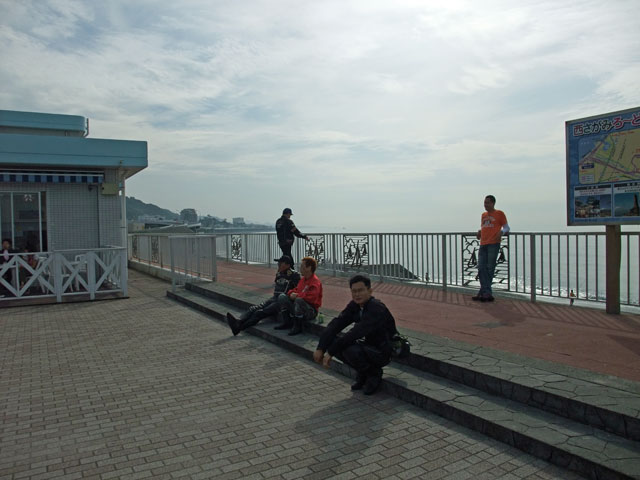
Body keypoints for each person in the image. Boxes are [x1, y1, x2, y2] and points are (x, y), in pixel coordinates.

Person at [313, 274, 398, 396]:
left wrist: (330, 353)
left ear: (370, 291)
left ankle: (374, 374)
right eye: (354, 291)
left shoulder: (376, 308)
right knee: (332, 341)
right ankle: (363, 373)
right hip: (368, 346)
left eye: (361, 290)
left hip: (383, 351)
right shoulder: (355, 306)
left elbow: (355, 333)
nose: (357, 294)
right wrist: (321, 348)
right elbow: (336, 324)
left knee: (349, 349)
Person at [226, 255, 300, 336]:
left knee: (259, 313)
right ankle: (239, 321)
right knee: (253, 308)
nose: (278, 264)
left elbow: (298, 290)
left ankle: (239, 328)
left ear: (287, 265)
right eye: (278, 262)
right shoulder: (279, 274)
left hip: (281, 302)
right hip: (274, 298)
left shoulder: (294, 275)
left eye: (281, 263)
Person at [473, 195, 509, 302]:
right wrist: (480, 231)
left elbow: (507, 227)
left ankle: (484, 292)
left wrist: (501, 232)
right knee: (481, 268)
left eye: (487, 203)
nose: (485, 205)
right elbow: (485, 226)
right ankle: (486, 292)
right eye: (485, 202)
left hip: (493, 244)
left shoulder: (499, 214)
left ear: (493, 203)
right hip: (483, 243)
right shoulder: (483, 215)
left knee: (489, 268)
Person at [275, 256, 322, 336]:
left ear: (309, 268)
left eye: (302, 266)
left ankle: (298, 326)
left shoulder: (315, 282)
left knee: (299, 300)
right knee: (282, 297)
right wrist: (291, 293)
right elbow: (296, 289)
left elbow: (312, 298)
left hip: (310, 311)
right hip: (299, 307)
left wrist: (297, 295)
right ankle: (287, 322)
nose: (300, 268)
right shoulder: (303, 280)